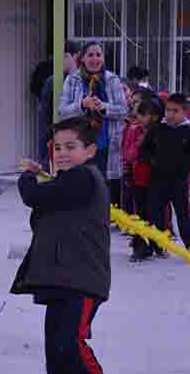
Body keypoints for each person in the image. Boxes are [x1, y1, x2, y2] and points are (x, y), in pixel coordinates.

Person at [11, 117, 127, 374]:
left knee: (70, 344)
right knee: (56, 350)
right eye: (57, 147)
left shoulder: (84, 178)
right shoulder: (67, 182)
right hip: (61, 278)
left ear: (90, 150)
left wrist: (29, 177)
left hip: (83, 279)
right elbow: (44, 214)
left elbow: (34, 197)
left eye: (71, 147)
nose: (62, 153)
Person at [59, 41, 128, 206]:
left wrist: (104, 107)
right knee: (81, 185)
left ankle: (102, 220)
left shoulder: (112, 80)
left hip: (106, 144)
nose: (95, 59)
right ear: (82, 58)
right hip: (80, 144)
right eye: (90, 55)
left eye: (98, 55)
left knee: (103, 187)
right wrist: (82, 104)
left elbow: (124, 110)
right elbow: (62, 111)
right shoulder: (72, 80)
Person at [140, 92, 190, 255]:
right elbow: (144, 150)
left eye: (175, 111)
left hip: (178, 182)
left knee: (183, 216)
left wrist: (183, 166)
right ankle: (155, 246)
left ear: (184, 112)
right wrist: (152, 161)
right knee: (154, 215)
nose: (170, 114)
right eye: (168, 110)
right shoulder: (157, 129)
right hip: (157, 180)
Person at [37, 42, 80, 164]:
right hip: (56, 136)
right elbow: (44, 116)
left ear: (75, 56)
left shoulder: (84, 79)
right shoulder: (52, 82)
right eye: (58, 56)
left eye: (65, 56)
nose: (61, 60)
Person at [129, 100, 161, 261]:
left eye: (143, 114)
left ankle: (157, 244)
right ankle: (140, 247)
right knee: (141, 213)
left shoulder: (160, 133)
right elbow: (129, 154)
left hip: (155, 180)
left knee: (155, 213)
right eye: (138, 114)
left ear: (155, 117)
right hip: (139, 178)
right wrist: (138, 145)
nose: (139, 117)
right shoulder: (135, 131)